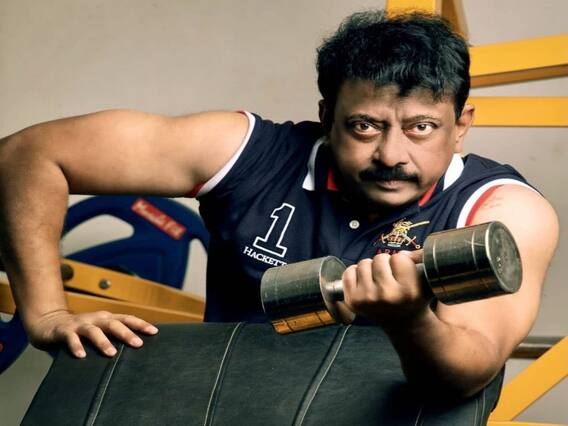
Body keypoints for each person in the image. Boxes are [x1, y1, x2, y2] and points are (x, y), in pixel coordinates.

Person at [0, 10, 558, 398]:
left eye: (421, 128)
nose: (392, 154)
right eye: (364, 126)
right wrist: (46, 315)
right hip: (229, 403)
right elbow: (26, 154)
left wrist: (410, 319)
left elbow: (468, 372)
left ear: (461, 126)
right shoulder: (249, 154)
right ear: (326, 115)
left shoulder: (503, 211)